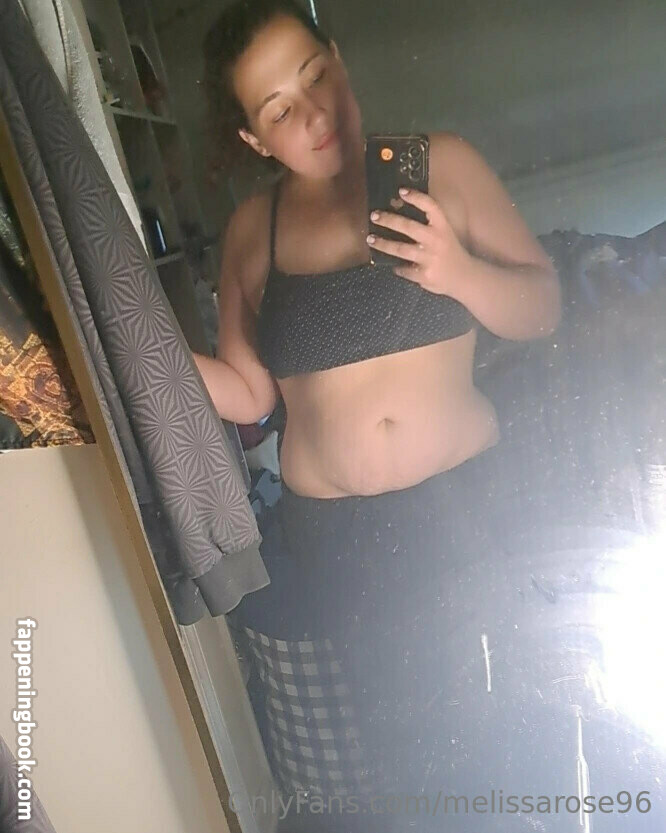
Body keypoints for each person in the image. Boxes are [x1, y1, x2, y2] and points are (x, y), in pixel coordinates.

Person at [193, 0, 561, 827]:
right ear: (255, 139)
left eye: (314, 75)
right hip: (338, 534)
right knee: (403, 760)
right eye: (278, 109)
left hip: (466, 504)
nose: (312, 113)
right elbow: (251, 393)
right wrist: (140, 351)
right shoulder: (253, 229)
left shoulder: (445, 164)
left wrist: (457, 271)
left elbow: (542, 306)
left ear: (339, 58)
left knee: (512, 733)